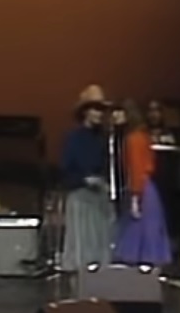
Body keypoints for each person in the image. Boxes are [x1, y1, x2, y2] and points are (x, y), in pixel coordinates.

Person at [60, 85, 116, 275]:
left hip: (100, 198)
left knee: (101, 244)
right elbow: (66, 170)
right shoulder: (74, 138)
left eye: (101, 110)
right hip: (81, 197)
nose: (99, 114)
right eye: (95, 109)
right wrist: (85, 180)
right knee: (82, 247)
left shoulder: (104, 139)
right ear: (85, 112)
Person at [112, 100, 172, 267]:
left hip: (142, 189)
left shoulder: (134, 139)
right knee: (148, 229)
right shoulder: (141, 135)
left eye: (119, 113)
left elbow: (136, 168)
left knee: (141, 227)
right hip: (148, 188)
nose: (115, 117)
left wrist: (135, 197)